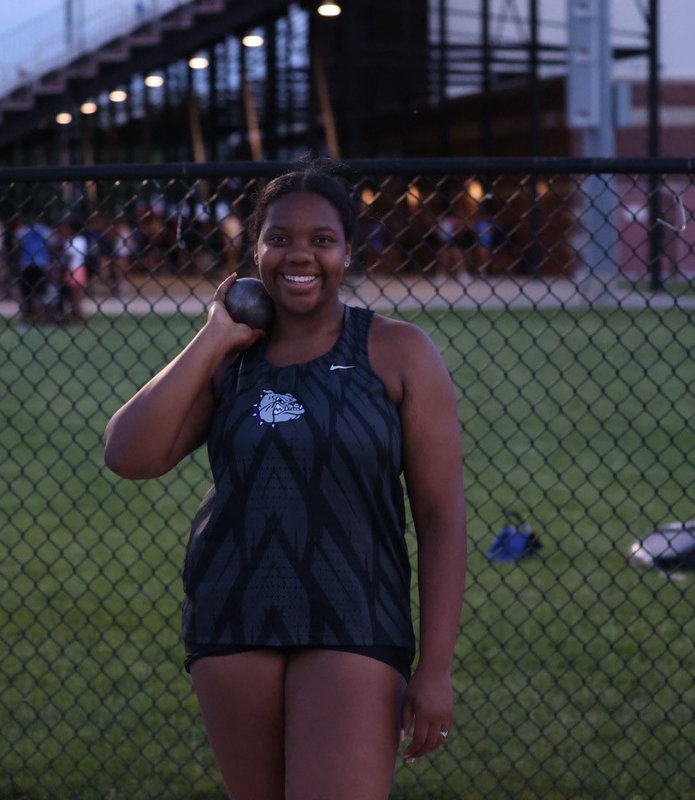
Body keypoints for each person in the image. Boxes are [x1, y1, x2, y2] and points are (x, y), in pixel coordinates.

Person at [103, 160, 467, 799]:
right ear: (255, 252)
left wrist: (435, 668)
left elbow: (441, 518)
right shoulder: (231, 360)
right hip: (233, 615)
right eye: (279, 238)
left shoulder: (397, 351)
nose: (300, 255)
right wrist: (214, 338)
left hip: (355, 616)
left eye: (321, 240)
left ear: (347, 252)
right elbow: (129, 455)